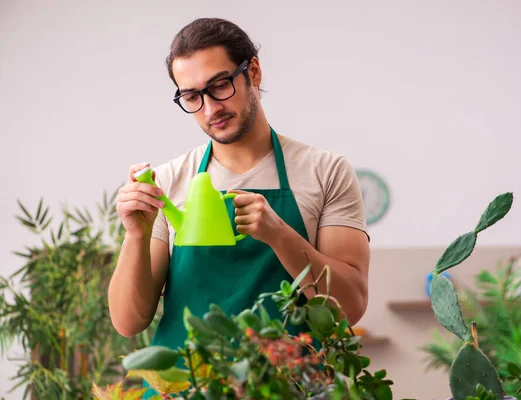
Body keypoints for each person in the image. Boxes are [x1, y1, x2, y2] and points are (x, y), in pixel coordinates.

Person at [108, 16, 370, 389]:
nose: (210, 108)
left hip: (287, 389)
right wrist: (136, 234)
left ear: (254, 73)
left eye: (220, 85)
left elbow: (350, 307)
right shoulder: (169, 181)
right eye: (192, 97)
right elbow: (128, 321)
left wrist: (279, 235)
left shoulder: (324, 171)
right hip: (184, 392)